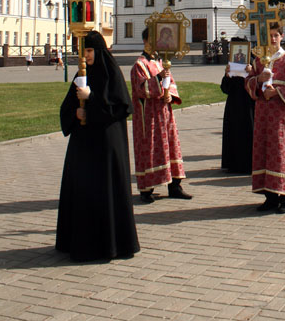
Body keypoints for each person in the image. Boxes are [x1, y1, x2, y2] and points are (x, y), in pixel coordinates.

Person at [55, 31, 139, 262]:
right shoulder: (81, 75)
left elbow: (119, 109)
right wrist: (77, 112)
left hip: (106, 146)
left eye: (90, 51)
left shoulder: (111, 74)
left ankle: (112, 244)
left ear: (99, 51)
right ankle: (79, 242)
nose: (87, 56)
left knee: (106, 191)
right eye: (84, 51)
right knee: (82, 190)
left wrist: (90, 100)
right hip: (83, 146)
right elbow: (67, 107)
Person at [245, 23, 285, 214]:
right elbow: (248, 83)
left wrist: (277, 92)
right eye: (268, 36)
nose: (272, 39)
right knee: (265, 152)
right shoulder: (259, 61)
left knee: (283, 154)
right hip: (263, 117)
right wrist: (257, 81)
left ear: (282, 36)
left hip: (283, 117)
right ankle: (270, 197)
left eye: (275, 35)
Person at [130, 28, 192, 203]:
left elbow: (171, 83)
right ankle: (146, 189)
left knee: (171, 146)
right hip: (148, 117)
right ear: (145, 41)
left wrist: (170, 93)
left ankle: (175, 185)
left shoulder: (160, 62)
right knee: (150, 148)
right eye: (151, 40)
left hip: (165, 113)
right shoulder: (139, 65)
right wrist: (158, 80)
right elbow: (141, 90)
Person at [220, 62, 255, 173]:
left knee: (249, 131)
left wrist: (252, 72)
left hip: (250, 104)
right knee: (234, 131)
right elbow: (225, 88)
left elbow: (260, 84)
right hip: (234, 105)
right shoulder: (232, 66)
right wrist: (227, 74)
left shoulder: (254, 65)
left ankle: (249, 164)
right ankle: (233, 164)